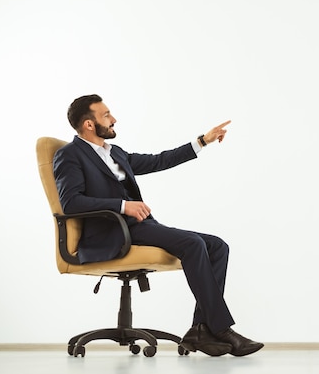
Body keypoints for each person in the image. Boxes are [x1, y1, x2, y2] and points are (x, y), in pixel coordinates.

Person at [53, 94, 264, 357]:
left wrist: (202, 141)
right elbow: (71, 203)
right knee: (193, 243)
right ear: (88, 124)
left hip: (137, 226)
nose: (113, 119)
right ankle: (221, 329)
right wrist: (122, 205)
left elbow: (158, 160)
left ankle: (201, 328)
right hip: (112, 232)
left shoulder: (115, 153)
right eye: (106, 115)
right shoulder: (69, 155)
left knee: (218, 246)